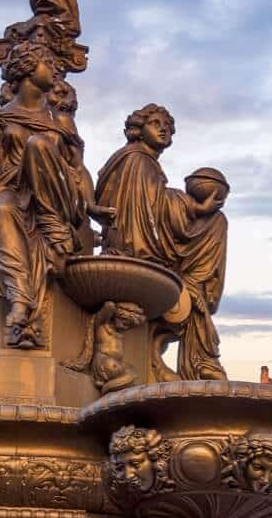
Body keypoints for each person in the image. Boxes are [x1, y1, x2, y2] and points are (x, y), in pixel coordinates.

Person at [0, 40, 91, 349]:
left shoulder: (62, 122)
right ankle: (20, 300)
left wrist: (89, 205)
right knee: (2, 208)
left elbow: (76, 170)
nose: (55, 70)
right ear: (28, 69)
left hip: (56, 198)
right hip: (12, 191)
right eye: (48, 63)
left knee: (38, 145)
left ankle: (49, 219)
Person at [94, 104, 228, 378]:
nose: (164, 129)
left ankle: (200, 358)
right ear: (138, 130)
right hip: (138, 244)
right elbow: (153, 205)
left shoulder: (146, 163)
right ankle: (198, 360)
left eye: (168, 126)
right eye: (155, 123)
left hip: (155, 235)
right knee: (213, 223)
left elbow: (157, 201)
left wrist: (193, 207)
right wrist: (194, 207)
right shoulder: (135, 160)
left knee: (216, 223)